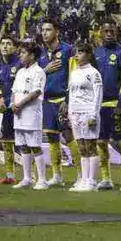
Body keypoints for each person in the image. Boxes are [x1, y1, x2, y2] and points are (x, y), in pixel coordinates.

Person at [93, 22, 121, 192]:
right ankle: (105, 178)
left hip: (116, 105)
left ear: (117, 33)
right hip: (98, 106)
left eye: (112, 31)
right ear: (100, 33)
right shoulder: (96, 53)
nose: (109, 34)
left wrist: (120, 104)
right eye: (106, 31)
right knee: (101, 143)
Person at [38, 20, 74, 187]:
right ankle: (57, 175)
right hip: (46, 100)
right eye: (43, 30)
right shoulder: (40, 53)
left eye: (48, 30)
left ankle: (82, 174)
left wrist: (68, 99)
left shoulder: (68, 50)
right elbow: (35, 76)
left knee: (69, 136)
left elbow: (74, 75)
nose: (45, 33)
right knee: (52, 138)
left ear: (56, 32)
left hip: (62, 99)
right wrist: (45, 70)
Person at [67, 44, 103, 193]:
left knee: (90, 146)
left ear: (88, 55)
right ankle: (84, 179)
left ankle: (92, 180)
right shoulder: (74, 73)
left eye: (80, 52)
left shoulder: (94, 73)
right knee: (81, 146)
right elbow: (71, 94)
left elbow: (98, 93)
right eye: (76, 53)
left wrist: (94, 114)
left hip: (88, 111)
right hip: (75, 112)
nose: (77, 55)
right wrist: (70, 112)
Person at [13, 42, 48, 190]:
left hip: (32, 113)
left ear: (32, 55)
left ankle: (42, 180)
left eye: (23, 53)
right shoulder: (20, 72)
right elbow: (14, 90)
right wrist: (13, 104)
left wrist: (20, 104)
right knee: (23, 146)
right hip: (18, 114)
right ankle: (27, 178)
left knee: (35, 146)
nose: (20, 55)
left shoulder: (39, 71)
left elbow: (37, 92)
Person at [0, 36, 22, 185]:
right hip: (5, 109)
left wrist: (12, 101)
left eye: (9, 44)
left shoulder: (21, 64)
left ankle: (33, 176)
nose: (5, 46)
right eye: (2, 43)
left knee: (27, 142)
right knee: (7, 141)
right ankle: (10, 175)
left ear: (15, 47)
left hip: (20, 108)